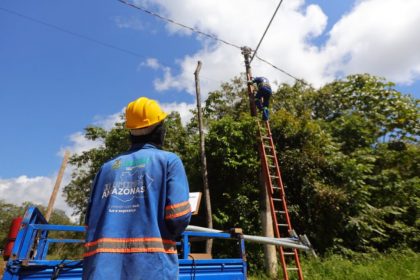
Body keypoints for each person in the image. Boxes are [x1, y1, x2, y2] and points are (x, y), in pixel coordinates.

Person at [83, 97, 192, 280]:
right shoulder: (169, 161)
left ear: (130, 132)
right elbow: (178, 217)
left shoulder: (107, 168)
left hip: (100, 270)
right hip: (152, 268)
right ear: (160, 130)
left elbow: (89, 223)